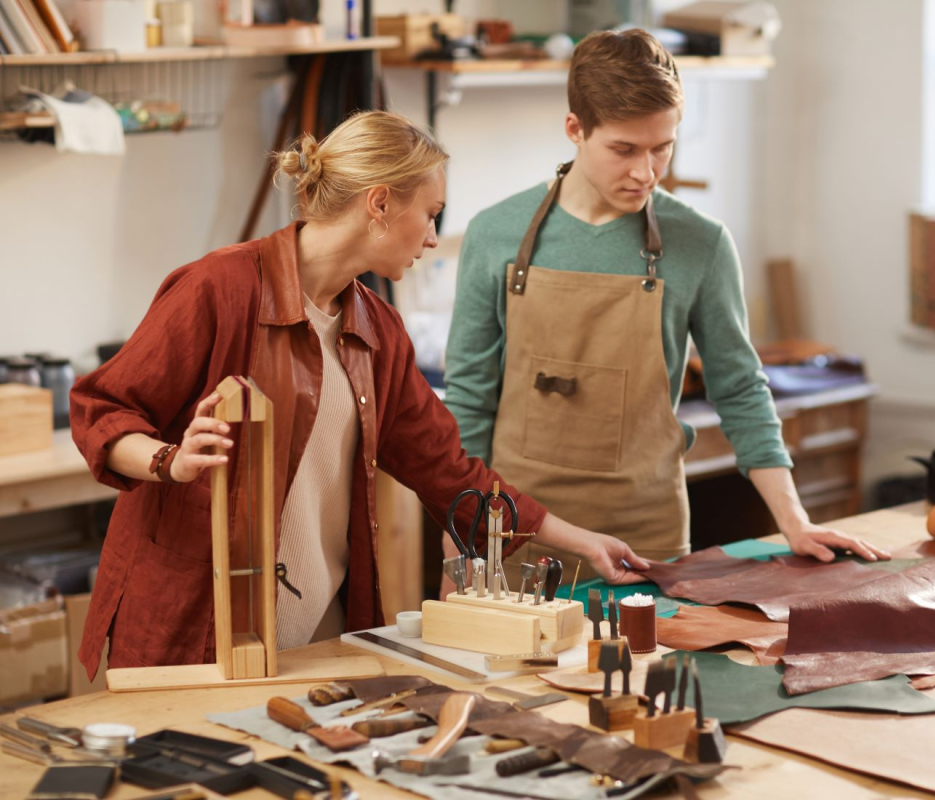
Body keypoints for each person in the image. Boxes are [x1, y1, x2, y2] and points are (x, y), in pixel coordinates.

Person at [69, 110, 647, 679]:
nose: (430, 237)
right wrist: (172, 461)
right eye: (430, 215)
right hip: (196, 628)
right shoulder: (218, 289)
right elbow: (100, 409)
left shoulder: (377, 330)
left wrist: (582, 542)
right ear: (379, 204)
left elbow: (447, 471)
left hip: (315, 630)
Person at [443, 29, 889, 577]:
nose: (646, 172)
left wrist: (795, 520)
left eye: (663, 148)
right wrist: (460, 545)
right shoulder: (495, 233)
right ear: (575, 130)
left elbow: (740, 387)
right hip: (514, 531)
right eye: (624, 150)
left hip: (645, 538)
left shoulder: (700, 242)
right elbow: (468, 399)